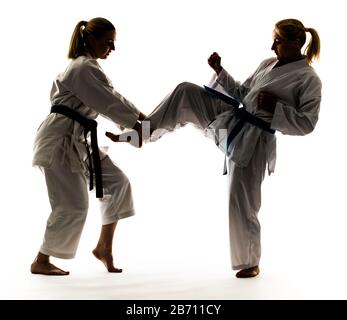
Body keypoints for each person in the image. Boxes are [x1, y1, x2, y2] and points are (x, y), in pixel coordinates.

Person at [106, 18, 322, 278]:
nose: (272, 45)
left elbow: (307, 123)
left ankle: (250, 262)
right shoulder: (268, 64)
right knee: (186, 91)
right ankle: (142, 134)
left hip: (254, 143)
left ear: (297, 42)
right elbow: (243, 93)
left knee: (241, 201)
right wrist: (221, 71)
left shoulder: (308, 79)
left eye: (278, 40)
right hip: (228, 126)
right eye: (274, 39)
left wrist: (277, 109)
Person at [31, 17, 146, 276]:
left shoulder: (89, 67)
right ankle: (40, 260)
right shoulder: (83, 67)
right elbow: (109, 101)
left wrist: (141, 120)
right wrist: (141, 122)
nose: (112, 49)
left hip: (78, 141)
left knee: (117, 184)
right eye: (108, 43)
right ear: (91, 40)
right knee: (72, 205)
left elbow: (112, 98)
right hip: (60, 141)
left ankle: (104, 247)